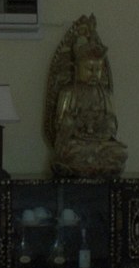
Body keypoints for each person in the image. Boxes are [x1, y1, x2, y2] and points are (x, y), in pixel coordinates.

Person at [51, 41, 127, 177]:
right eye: (89, 69)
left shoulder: (106, 94)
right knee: (70, 152)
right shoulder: (68, 93)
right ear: (76, 69)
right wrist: (76, 122)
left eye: (98, 70)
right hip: (77, 142)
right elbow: (60, 125)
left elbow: (112, 125)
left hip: (100, 141)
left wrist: (102, 124)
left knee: (119, 152)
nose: (94, 74)